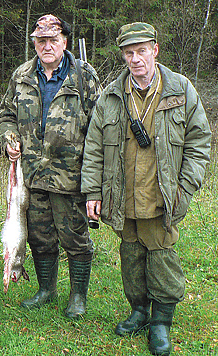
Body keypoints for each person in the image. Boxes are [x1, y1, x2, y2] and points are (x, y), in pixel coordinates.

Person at [81, 22, 211, 355]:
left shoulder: (181, 89)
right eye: (129, 53)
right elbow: (93, 147)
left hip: (163, 197)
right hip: (121, 197)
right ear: (123, 56)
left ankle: (161, 322)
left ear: (154, 49)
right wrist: (93, 193)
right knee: (131, 256)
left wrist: (186, 186)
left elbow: (199, 142)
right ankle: (139, 311)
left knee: (161, 256)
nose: (136, 59)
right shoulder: (111, 95)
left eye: (141, 51)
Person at [0, 14, 101, 318]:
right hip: (32, 176)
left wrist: (96, 174)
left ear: (64, 42)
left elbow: (100, 125)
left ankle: (78, 298)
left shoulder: (83, 75)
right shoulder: (21, 75)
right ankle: (46, 290)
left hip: (71, 178)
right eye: (40, 41)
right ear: (34, 43)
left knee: (75, 239)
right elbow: (5, 115)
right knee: (40, 237)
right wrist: (9, 138)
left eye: (52, 40)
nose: (46, 46)